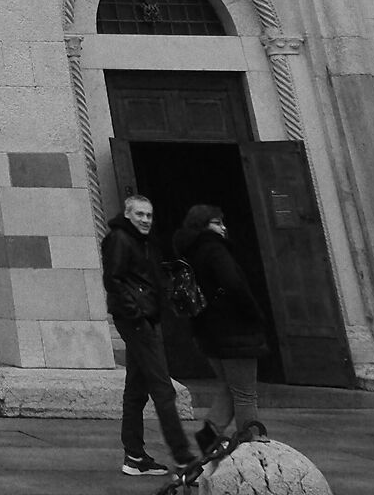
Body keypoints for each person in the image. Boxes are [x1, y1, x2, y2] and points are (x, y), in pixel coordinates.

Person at [101, 192, 195, 478]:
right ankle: (184, 460)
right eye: (140, 214)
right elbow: (113, 279)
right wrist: (135, 313)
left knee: (137, 390)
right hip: (138, 322)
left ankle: (134, 456)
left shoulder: (140, 242)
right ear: (127, 214)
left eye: (149, 215)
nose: (145, 220)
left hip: (144, 318)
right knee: (162, 389)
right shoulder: (119, 239)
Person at [174, 202, 266, 451]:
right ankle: (252, 444)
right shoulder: (214, 250)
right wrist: (253, 313)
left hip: (207, 331)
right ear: (204, 225)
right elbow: (233, 284)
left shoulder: (189, 252)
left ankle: (210, 432)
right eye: (217, 223)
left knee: (230, 386)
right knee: (246, 392)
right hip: (233, 330)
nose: (223, 228)